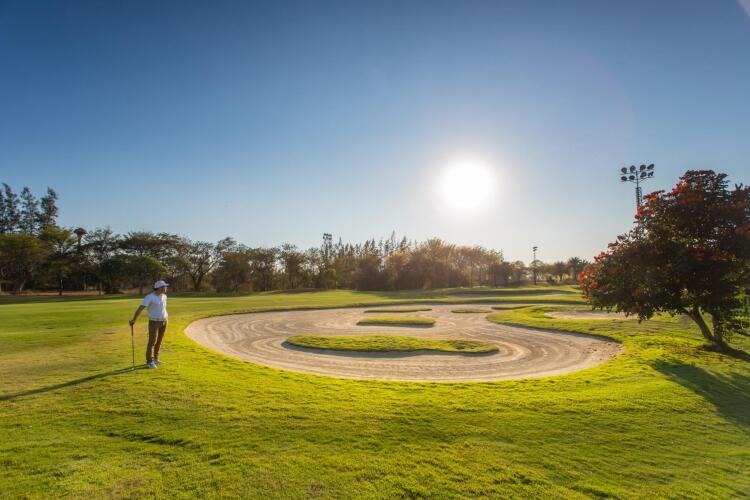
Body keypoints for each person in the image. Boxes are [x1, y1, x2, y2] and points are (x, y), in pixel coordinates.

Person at [129, 280, 169, 369]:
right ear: (159, 288)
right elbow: (140, 308)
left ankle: (156, 358)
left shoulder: (164, 296)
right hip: (154, 322)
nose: (166, 288)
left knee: (159, 341)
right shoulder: (150, 297)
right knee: (152, 342)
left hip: (164, 321)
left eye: (166, 286)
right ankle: (149, 361)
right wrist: (134, 319)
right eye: (164, 286)